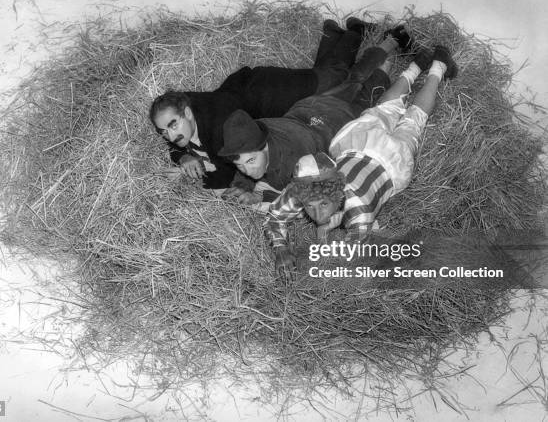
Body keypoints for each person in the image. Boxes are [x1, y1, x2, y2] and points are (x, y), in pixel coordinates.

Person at [263, 46, 458, 280]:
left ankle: (435, 66)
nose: (316, 213)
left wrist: (323, 231)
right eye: (310, 206)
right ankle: (423, 66)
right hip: (357, 147)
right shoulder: (302, 189)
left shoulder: (360, 212)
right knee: (389, 111)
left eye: (323, 204)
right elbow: (274, 216)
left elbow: (346, 257)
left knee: (410, 120)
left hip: (390, 163)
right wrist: (282, 249)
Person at [149, 18, 400, 190]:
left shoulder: (220, 129)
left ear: (188, 113)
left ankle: (357, 30)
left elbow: (225, 174)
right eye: (164, 131)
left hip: (273, 92)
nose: (170, 135)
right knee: (326, 75)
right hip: (253, 90)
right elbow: (175, 143)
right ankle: (333, 34)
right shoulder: (186, 111)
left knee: (336, 76)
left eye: (173, 125)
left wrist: (191, 172)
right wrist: (182, 158)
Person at [217, 29, 412, 204]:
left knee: (369, 94)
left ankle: (392, 56)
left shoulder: (290, 163)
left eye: (250, 162)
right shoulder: (255, 130)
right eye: (239, 165)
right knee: (355, 77)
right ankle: (392, 39)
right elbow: (245, 154)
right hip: (311, 106)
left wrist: (260, 196)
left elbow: (305, 195)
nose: (247, 170)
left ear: (264, 145)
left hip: (338, 120)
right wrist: (242, 184)